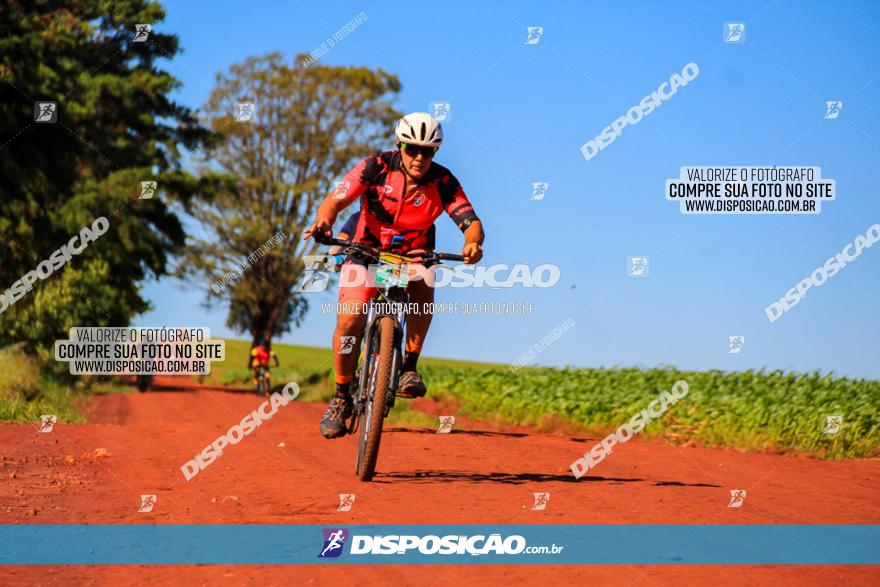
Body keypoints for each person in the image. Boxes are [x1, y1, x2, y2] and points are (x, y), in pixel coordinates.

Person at [304, 112, 484, 439]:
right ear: (399, 145)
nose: (419, 157)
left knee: (422, 294)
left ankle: (409, 368)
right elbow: (337, 199)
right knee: (349, 319)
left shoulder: (443, 181)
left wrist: (472, 243)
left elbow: (469, 219)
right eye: (412, 148)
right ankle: (341, 396)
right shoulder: (376, 166)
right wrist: (324, 223)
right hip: (367, 246)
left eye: (427, 151)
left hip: (414, 251)